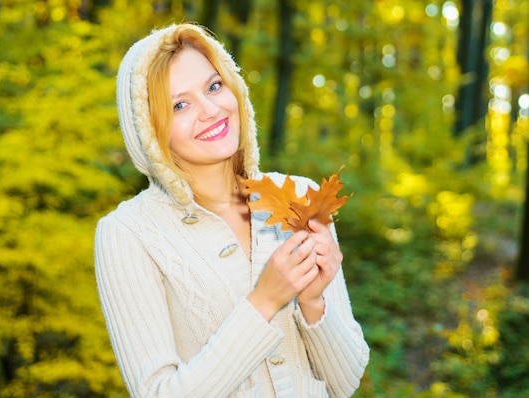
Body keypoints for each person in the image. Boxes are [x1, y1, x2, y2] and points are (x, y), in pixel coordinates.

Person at [94, 23, 369, 398]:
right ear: (149, 129)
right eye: (180, 105)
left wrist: (313, 302)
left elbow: (346, 381)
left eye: (214, 86)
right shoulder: (127, 234)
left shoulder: (301, 197)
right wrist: (265, 300)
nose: (210, 110)